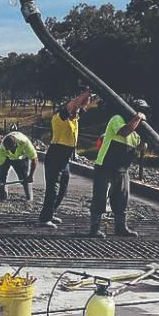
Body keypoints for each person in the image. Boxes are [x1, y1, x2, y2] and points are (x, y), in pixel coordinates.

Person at [89, 100, 148, 238]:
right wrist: (138, 118)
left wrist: (144, 142)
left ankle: (120, 227)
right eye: (140, 110)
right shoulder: (118, 119)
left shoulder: (135, 132)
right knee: (100, 198)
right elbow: (123, 132)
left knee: (122, 200)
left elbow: (141, 147)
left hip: (122, 169)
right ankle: (94, 229)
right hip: (105, 166)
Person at [39, 89, 92, 227]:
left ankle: (51, 212)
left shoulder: (75, 119)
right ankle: (45, 218)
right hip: (56, 155)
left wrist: (89, 95)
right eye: (74, 109)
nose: (76, 110)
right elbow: (73, 104)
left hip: (65, 158)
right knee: (53, 188)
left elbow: (84, 105)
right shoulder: (59, 118)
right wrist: (85, 94)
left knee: (63, 187)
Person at [0, 130, 39, 200]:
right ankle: (3, 195)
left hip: (21, 157)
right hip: (7, 157)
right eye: (7, 148)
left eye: (9, 148)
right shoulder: (2, 148)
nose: (7, 149)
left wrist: (31, 176)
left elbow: (34, 159)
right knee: (2, 176)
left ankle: (29, 197)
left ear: (15, 145)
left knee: (24, 177)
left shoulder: (25, 142)